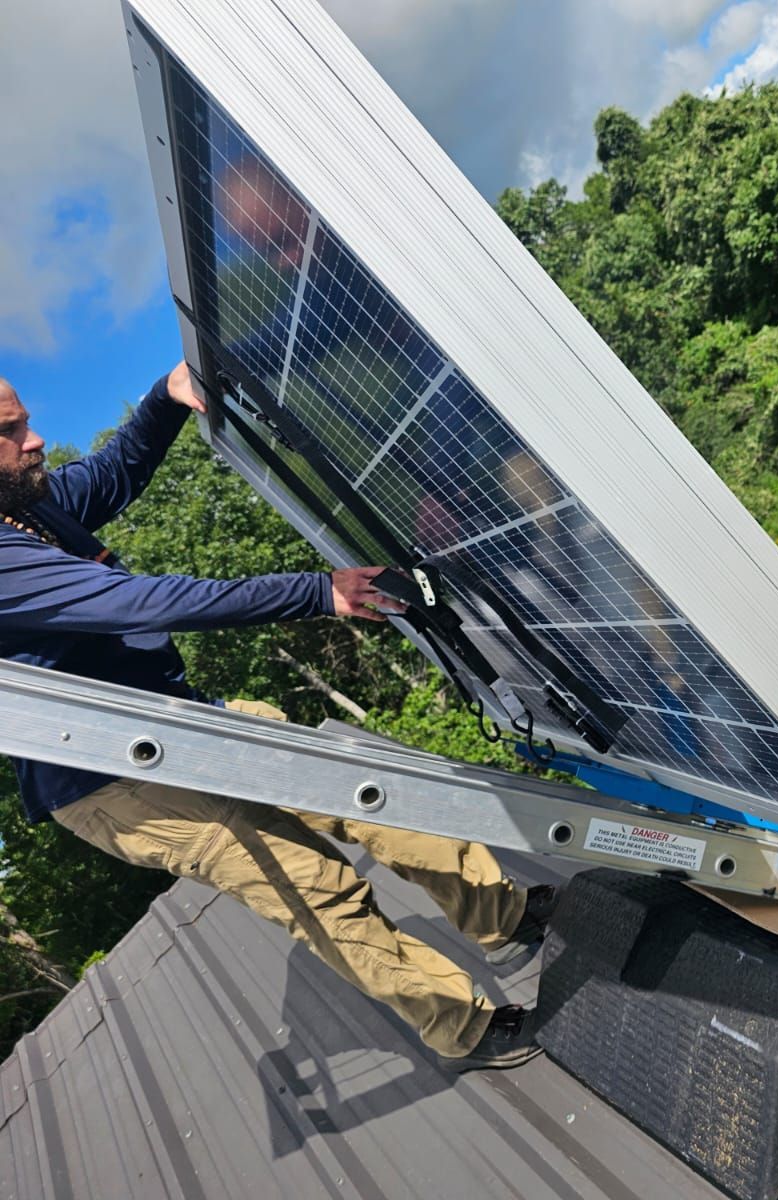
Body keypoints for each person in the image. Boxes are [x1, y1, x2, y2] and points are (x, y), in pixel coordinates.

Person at [0, 363, 555, 1072]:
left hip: (177, 720)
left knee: (369, 788)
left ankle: (503, 914)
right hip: (112, 778)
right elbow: (143, 604)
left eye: (26, 418)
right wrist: (315, 591)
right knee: (315, 884)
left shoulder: (25, 502)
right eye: (9, 431)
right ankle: (466, 1028)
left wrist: (162, 400)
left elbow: (113, 475)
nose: (37, 439)